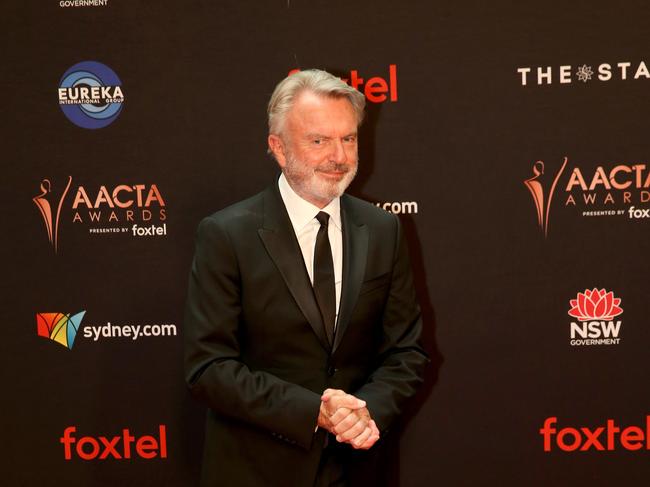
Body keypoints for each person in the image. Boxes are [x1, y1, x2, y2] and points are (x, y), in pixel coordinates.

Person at [184, 69, 428, 487]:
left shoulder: (384, 229)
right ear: (278, 148)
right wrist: (313, 410)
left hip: (357, 468)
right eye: (319, 141)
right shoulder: (227, 234)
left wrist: (365, 412)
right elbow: (208, 368)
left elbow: (406, 353)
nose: (339, 156)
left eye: (348, 139)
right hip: (255, 470)